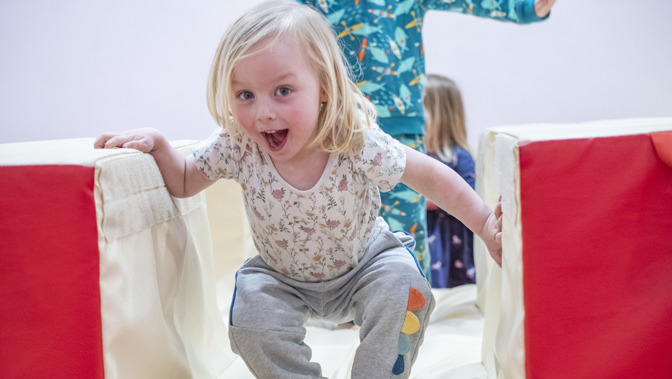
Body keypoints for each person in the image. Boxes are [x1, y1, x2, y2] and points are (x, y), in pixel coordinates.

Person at [94, 1, 502, 377]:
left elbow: (427, 175)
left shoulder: (352, 138)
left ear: (324, 87)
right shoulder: (239, 144)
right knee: (250, 319)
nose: (263, 112)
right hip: (281, 276)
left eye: (283, 91)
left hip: (366, 263)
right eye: (245, 95)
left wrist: (484, 223)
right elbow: (185, 180)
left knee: (406, 288)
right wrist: (160, 146)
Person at [297, 0, 555, 284]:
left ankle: (409, 311)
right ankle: (346, 307)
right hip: (330, 128)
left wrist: (524, 7)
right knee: (336, 228)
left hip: (398, 125)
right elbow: (280, 32)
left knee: (404, 239)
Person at [423, 74, 476, 288]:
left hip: (446, 238)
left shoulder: (459, 157)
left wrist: (423, 199)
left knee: (446, 285)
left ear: (439, 115)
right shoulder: (414, 155)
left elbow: (468, 197)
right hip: (423, 231)